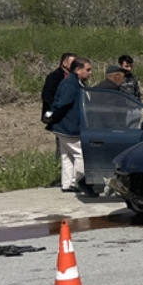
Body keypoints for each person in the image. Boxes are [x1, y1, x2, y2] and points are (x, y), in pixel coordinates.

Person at [45, 57, 94, 195]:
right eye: (88, 70)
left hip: (63, 126)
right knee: (80, 154)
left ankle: (67, 183)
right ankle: (78, 181)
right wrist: (53, 115)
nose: (90, 73)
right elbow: (62, 103)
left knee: (66, 155)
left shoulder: (75, 82)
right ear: (78, 70)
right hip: (69, 127)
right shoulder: (71, 84)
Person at [41, 52, 76, 124]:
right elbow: (46, 95)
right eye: (73, 63)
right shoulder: (53, 76)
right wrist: (57, 106)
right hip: (53, 111)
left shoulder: (75, 77)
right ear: (64, 63)